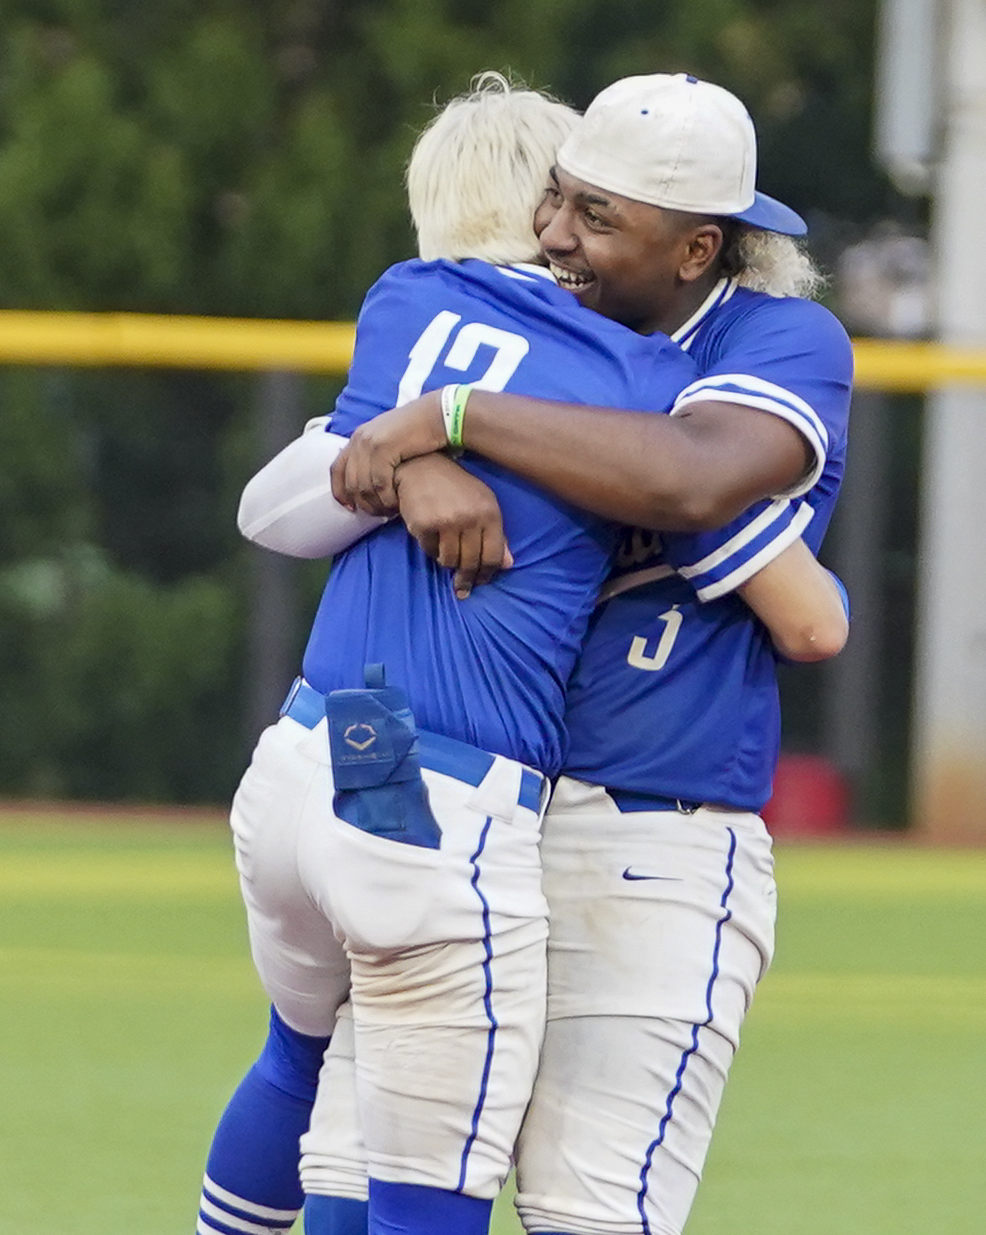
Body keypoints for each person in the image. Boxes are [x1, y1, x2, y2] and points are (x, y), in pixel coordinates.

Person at [312, 73, 855, 1235]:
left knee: (586, 1213)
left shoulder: (773, 336)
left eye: (597, 216)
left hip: (644, 829)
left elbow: (697, 487)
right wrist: (409, 462)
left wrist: (451, 419)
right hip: (451, 801)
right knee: (355, 1180)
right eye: (557, 198)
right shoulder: (508, 320)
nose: (554, 232)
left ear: (698, 247)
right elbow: (282, 498)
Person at [194, 74, 707, 1235]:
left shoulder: (404, 300)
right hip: (444, 794)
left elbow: (279, 503)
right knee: (431, 1189)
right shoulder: (635, 372)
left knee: (299, 1059)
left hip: (322, 745)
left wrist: (412, 451)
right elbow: (695, 483)